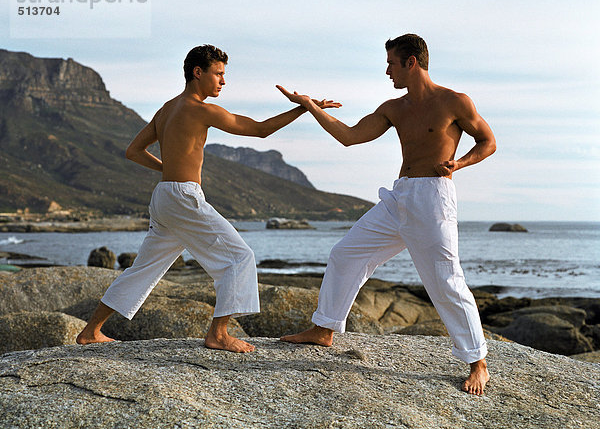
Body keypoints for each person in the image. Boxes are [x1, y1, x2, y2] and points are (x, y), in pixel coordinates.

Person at [76, 44, 340, 353]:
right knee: (239, 257)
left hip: (164, 197)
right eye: (218, 74)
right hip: (183, 198)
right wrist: (305, 106)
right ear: (197, 72)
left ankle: (90, 331)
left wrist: (167, 168)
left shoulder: (167, 109)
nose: (223, 81)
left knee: (142, 269)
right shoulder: (202, 110)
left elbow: (133, 151)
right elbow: (260, 130)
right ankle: (219, 334)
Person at [277, 34, 496, 394]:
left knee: (445, 280)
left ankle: (478, 363)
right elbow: (349, 136)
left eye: (392, 63)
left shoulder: (454, 101)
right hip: (400, 197)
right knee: (345, 253)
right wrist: (310, 107)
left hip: (433, 198)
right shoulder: (394, 108)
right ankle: (324, 328)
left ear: (411, 62)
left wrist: (460, 162)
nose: (387, 70)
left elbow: (488, 141)